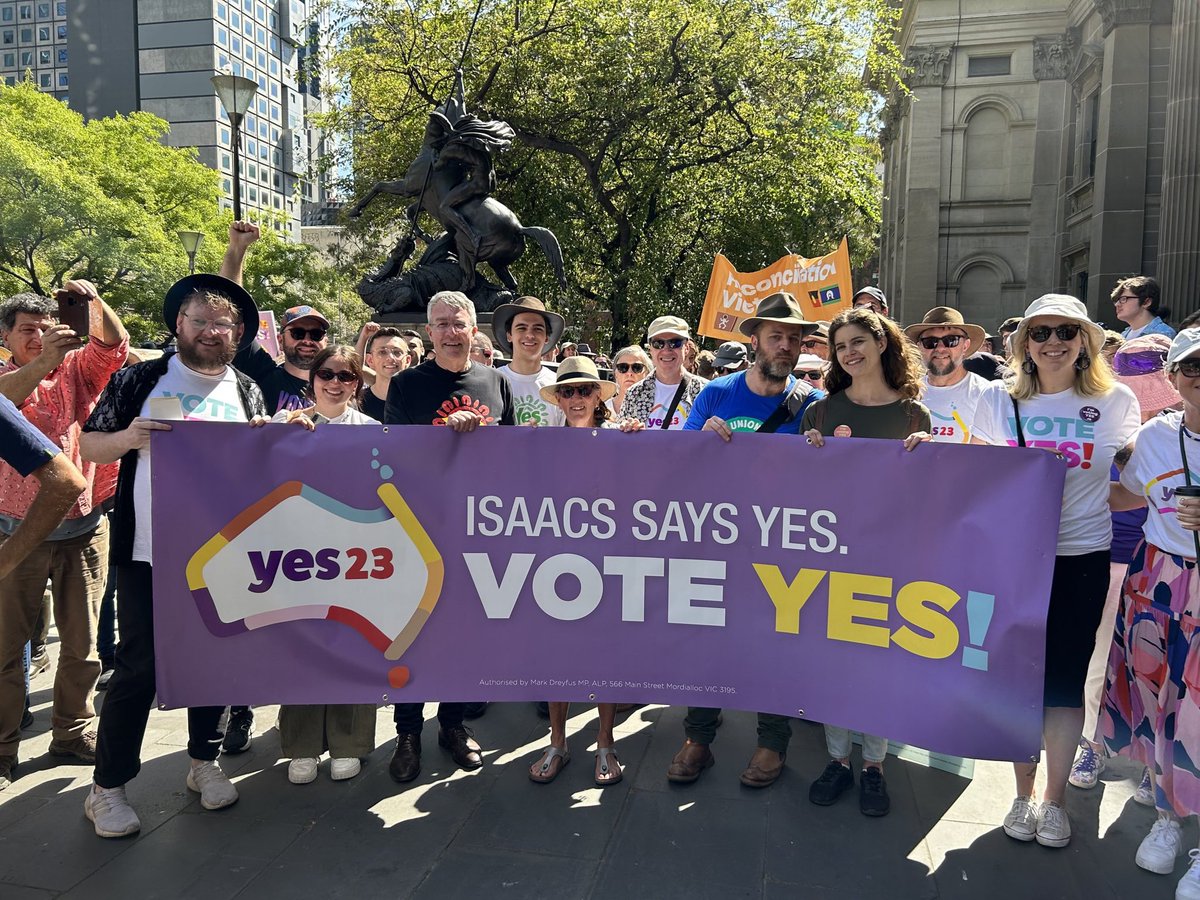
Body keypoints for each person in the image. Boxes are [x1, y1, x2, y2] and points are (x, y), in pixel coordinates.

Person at [78, 273, 267, 838]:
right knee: (139, 668)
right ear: (178, 326)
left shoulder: (246, 388)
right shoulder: (140, 378)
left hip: (222, 555)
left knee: (214, 659)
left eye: (223, 324)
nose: (212, 332)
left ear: (237, 332)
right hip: (147, 552)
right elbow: (90, 443)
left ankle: (202, 762)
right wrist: (130, 438)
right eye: (201, 322)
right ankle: (106, 788)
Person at [972, 293, 1139, 849]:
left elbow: (1131, 489)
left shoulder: (1117, 403)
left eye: (1065, 332)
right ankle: (1020, 795)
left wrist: (1088, 506)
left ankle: (1055, 801)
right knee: (1016, 677)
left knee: (1065, 681)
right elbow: (973, 480)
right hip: (1012, 559)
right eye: (1040, 332)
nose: (1052, 342)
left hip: (1081, 558)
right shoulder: (995, 400)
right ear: (1024, 343)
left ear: (1085, 340)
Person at [667, 292, 821, 789]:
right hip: (717, 541)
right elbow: (679, 460)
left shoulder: (813, 404)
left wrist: (824, 447)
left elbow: (830, 477)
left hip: (783, 545)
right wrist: (701, 440)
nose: (786, 345)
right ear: (753, 340)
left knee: (778, 639)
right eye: (776, 336)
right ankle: (699, 738)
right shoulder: (715, 393)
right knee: (708, 636)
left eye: (794, 338)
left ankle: (772, 742)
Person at [800, 306, 931, 817]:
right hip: (831, 556)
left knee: (878, 661)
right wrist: (807, 456)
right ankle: (837, 759)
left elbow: (927, 494)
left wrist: (930, 454)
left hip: (891, 556)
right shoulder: (822, 412)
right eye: (840, 346)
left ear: (881, 344)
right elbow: (801, 494)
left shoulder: (913, 416)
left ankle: (874, 766)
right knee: (835, 659)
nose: (850, 352)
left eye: (859, 341)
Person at [383, 290, 515, 783]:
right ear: (428, 332)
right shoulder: (407, 385)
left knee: (464, 633)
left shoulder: (494, 380)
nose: (449, 332)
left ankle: (453, 726)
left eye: (457, 323)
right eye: (439, 324)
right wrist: (445, 435)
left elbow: (512, 453)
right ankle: (408, 732)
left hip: (478, 529)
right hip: (421, 528)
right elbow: (394, 455)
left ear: (473, 326)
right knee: (414, 633)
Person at [0, 284, 128, 787]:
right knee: (7, 650)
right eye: (26, 330)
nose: (38, 336)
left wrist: (95, 304)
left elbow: (113, 347)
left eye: (44, 326)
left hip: (84, 529)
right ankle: (3, 747)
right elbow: (3, 403)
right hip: (16, 536)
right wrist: (40, 362)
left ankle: (72, 732)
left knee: (84, 647)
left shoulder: (74, 369)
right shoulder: (8, 375)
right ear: (5, 337)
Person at [1103, 327, 1200, 896]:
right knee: (1155, 694)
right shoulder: (1155, 436)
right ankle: (1168, 819)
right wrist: (1052, 478)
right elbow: (1128, 494)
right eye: (1190, 367)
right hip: (1157, 579)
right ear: (1173, 375)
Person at [1069, 334, 1178, 797]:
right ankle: (1091, 742)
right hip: (1106, 556)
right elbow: (1116, 494)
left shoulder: (1177, 435)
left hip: (1162, 567)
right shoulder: (1107, 424)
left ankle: (1159, 769)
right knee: (1099, 661)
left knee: (1164, 672)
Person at [271, 345, 379, 784]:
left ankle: (349, 742)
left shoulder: (373, 429)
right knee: (303, 643)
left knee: (353, 640)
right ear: (312, 379)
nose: (335, 383)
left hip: (355, 553)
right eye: (327, 374)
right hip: (297, 555)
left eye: (346, 376)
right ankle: (301, 745)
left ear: (357, 385)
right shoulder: (286, 423)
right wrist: (270, 435)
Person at [528, 356, 636, 786]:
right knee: (558, 653)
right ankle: (558, 741)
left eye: (584, 390)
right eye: (567, 391)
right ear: (557, 398)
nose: (576, 398)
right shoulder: (543, 444)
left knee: (605, 653)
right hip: (557, 563)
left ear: (598, 396)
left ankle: (606, 741)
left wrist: (637, 442)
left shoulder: (621, 439)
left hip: (609, 561)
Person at [220, 221, 330, 415]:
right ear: (280, 339)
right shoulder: (261, 374)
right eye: (297, 333)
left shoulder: (339, 385)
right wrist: (237, 248)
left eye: (316, 334)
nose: (307, 340)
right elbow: (230, 312)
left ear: (326, 341)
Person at [905, 307, 990, 443]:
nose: (940, 348)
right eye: (930, 342)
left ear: (965, 345)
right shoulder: (907, 394)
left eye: (951, 340)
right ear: (919, 347)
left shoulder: (987, 394)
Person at [492, 296, 567, 427]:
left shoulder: (558, 385)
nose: (530, 335)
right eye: (521, 328)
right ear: (509, 335)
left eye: (537, 329)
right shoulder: (493, 383)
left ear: (546, 337)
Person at [621, 315, 707, 430]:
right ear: (650, 349)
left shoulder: (705, 391)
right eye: (658, 343)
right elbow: (619, 444)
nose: (666, 350)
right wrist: (627, 430)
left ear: (686, 348)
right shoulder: (634, 394)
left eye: (675, 343)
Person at [360, 325, 409, 421]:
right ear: (370, 360)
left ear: (407, 360)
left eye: (397, 352)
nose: (390, 358)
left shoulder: (422, 400)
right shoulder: (358, 403)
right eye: (382, 352)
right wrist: (364, 337)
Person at [1112, 275, 1175, 340]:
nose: (1117, 304)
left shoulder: (1163, 334)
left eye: (1124, 299)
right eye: (1118, 300)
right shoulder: (1123, 335)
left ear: (1146, 302)